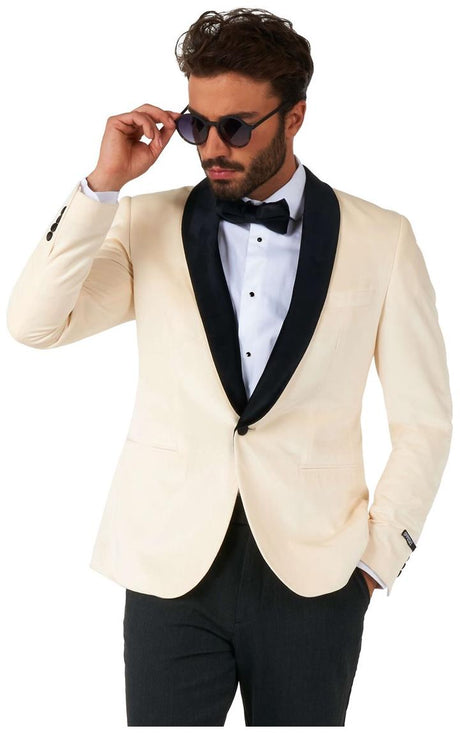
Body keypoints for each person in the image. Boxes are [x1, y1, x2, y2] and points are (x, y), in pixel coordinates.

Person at [6, 7, 453, 727]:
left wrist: (375, 561)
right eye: (197, 125)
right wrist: (102, 186)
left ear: (294, 116)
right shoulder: (143, 223)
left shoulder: (383, 239)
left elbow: (424, 420)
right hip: (170, 569)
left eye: (237, 128)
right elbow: (33, 324)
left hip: (316, 576)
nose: (212, 148)